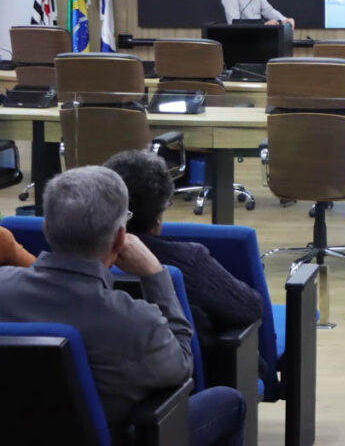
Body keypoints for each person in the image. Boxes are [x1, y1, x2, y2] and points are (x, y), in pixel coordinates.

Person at [0, 166, 245, 446]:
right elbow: (182, 367)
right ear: (120, 239)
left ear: (46, 228)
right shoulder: (134, 321)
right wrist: (156, 275)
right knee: (229, 401)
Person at [104, 150, 263, 359]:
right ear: (160, 214)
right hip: (194, 373)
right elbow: (249, 309)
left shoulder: (77, 257)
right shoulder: (188, 260)